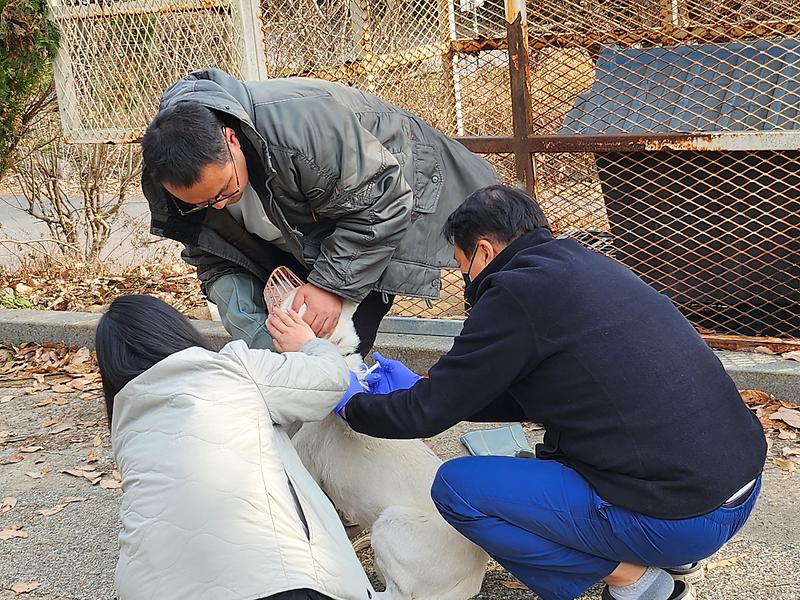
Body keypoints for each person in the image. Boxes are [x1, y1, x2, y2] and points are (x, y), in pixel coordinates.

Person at [336, 185, 767, 600]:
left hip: (683, 518)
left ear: (483, 251)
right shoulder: (587, 265)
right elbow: (532, 392)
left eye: (460, 264)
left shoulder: (512, 292)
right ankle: (664, 550)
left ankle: (634, 578)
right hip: (735, 492)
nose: (464, 278)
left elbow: (421, 417)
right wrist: (427, 388)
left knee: (458, 488)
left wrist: (347, 401)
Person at [140, 68, 500, 355]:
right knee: (306, 347)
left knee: (345, 340)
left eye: (224, 190)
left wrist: (329, 287)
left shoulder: (299, 128)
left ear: (230, 138)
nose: (219, 206)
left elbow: (383, 203)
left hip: (404, 194)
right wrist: (265, 346)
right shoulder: (169, 173)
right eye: (203, 203)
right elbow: (218, 259)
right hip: (315, 230)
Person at [95, 294, 373, 600]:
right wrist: (308, 344)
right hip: (271, 582)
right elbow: (329, 381)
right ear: (175, 330)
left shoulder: (126, 429)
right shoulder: (233, 367)